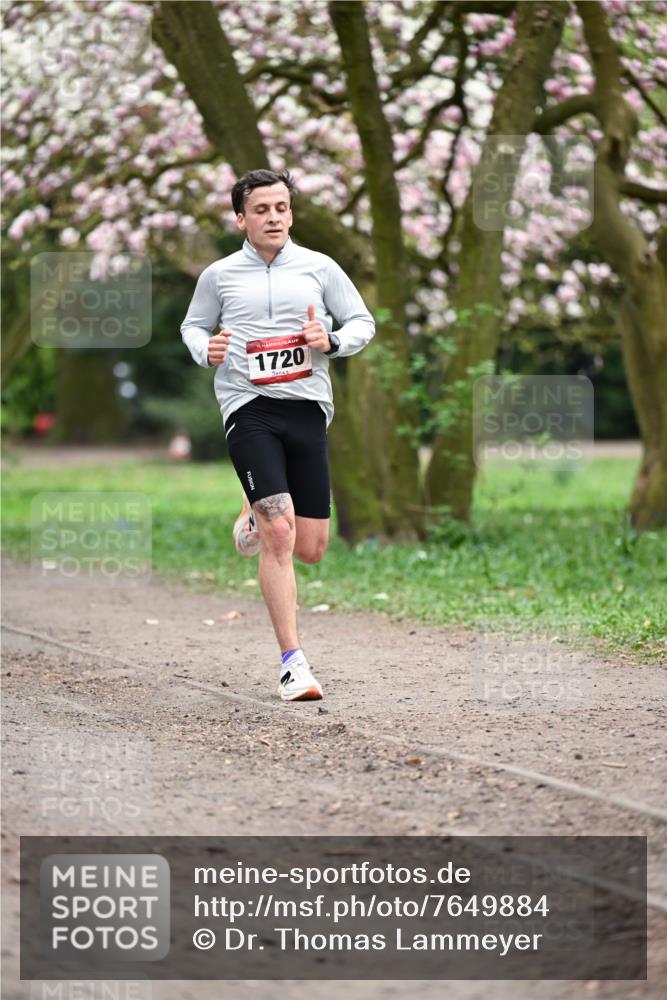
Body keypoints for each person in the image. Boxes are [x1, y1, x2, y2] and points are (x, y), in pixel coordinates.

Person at [180, 168, 375, 701]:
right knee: (281, 534)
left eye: (282, 208)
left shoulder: (320, 268)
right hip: (249, 407)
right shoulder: (219, 275)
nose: (273, 218)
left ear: (292, 213)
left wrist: (330, 339)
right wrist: (207, 349)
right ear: (241, 218)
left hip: (308, 408)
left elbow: (363, 322)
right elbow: (193, 327)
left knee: (310, 548)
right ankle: (293, 664)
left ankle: (249, 510)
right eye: (262, 210)